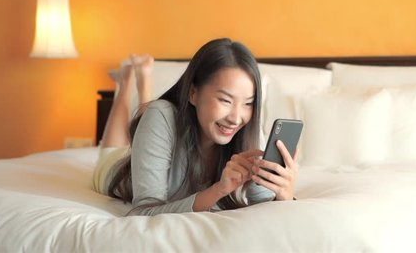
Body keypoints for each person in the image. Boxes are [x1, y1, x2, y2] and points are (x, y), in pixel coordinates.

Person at [92, 38, 298, 215]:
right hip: (115, 169)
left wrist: (284, 196)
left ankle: (142, 79)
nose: (236, 118)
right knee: (117, 143)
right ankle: (127, 80)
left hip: (156, 130)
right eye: (225, 100)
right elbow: (143, 212)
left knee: (150, 115)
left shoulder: (248, 128)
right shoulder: (160, 115)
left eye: (248, 103)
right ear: (193, 93)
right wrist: (218, 190)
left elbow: (262, 207)